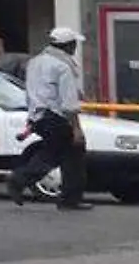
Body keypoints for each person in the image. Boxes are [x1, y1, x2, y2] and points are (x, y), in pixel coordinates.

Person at [8, 27, 90, 210]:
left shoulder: (35, 62)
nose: (75, 48)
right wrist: (77, 129)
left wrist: (31, 119)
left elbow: (31, 92)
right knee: (65, 153)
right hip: (57, 117)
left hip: (39, 115)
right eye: (74, 44)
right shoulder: (63, 66)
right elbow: (69, 102)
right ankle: (20, 179)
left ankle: (70, 199)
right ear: (69, 46)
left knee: (62, 153)